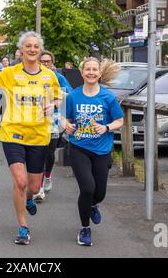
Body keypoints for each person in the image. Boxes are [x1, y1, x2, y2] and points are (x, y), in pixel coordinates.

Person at [0, 31, 62, 245]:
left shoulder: (49, 76)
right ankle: (23, 226)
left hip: (39, 135)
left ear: (39, 51)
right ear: (21, 50)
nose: (32, 49)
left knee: (32, 187)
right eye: (28, 46)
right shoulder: (10, 73)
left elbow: (58, 97)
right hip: (13, 132)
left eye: (35, 46)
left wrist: (54, 104)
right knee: (20, 182)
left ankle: (30, 198)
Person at [63, 57, 123, 247]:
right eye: (87, 69)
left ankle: (93, 205)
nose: (90, 72)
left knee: (100, 193)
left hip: (102, 150)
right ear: (82, 73)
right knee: (87, 188)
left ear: (99, 73)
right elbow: (63, 118)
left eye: (94, 70)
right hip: (79, 147)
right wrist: (66, 125)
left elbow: (120, 121)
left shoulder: (108, 97)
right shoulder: (73, 96)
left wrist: (106, 127)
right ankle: (84, 229)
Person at [33, 51, 73, 202]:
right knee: (39, 153)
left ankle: (47, 176)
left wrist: (56, 97)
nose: (45, 64)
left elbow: (69, 93)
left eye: (48, 61)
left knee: (50, 153)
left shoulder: (58, 77)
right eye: (42, 61)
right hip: (35, 120)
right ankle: (39, 186)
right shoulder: (34, 75)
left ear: (52, 63)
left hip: (54, 120)